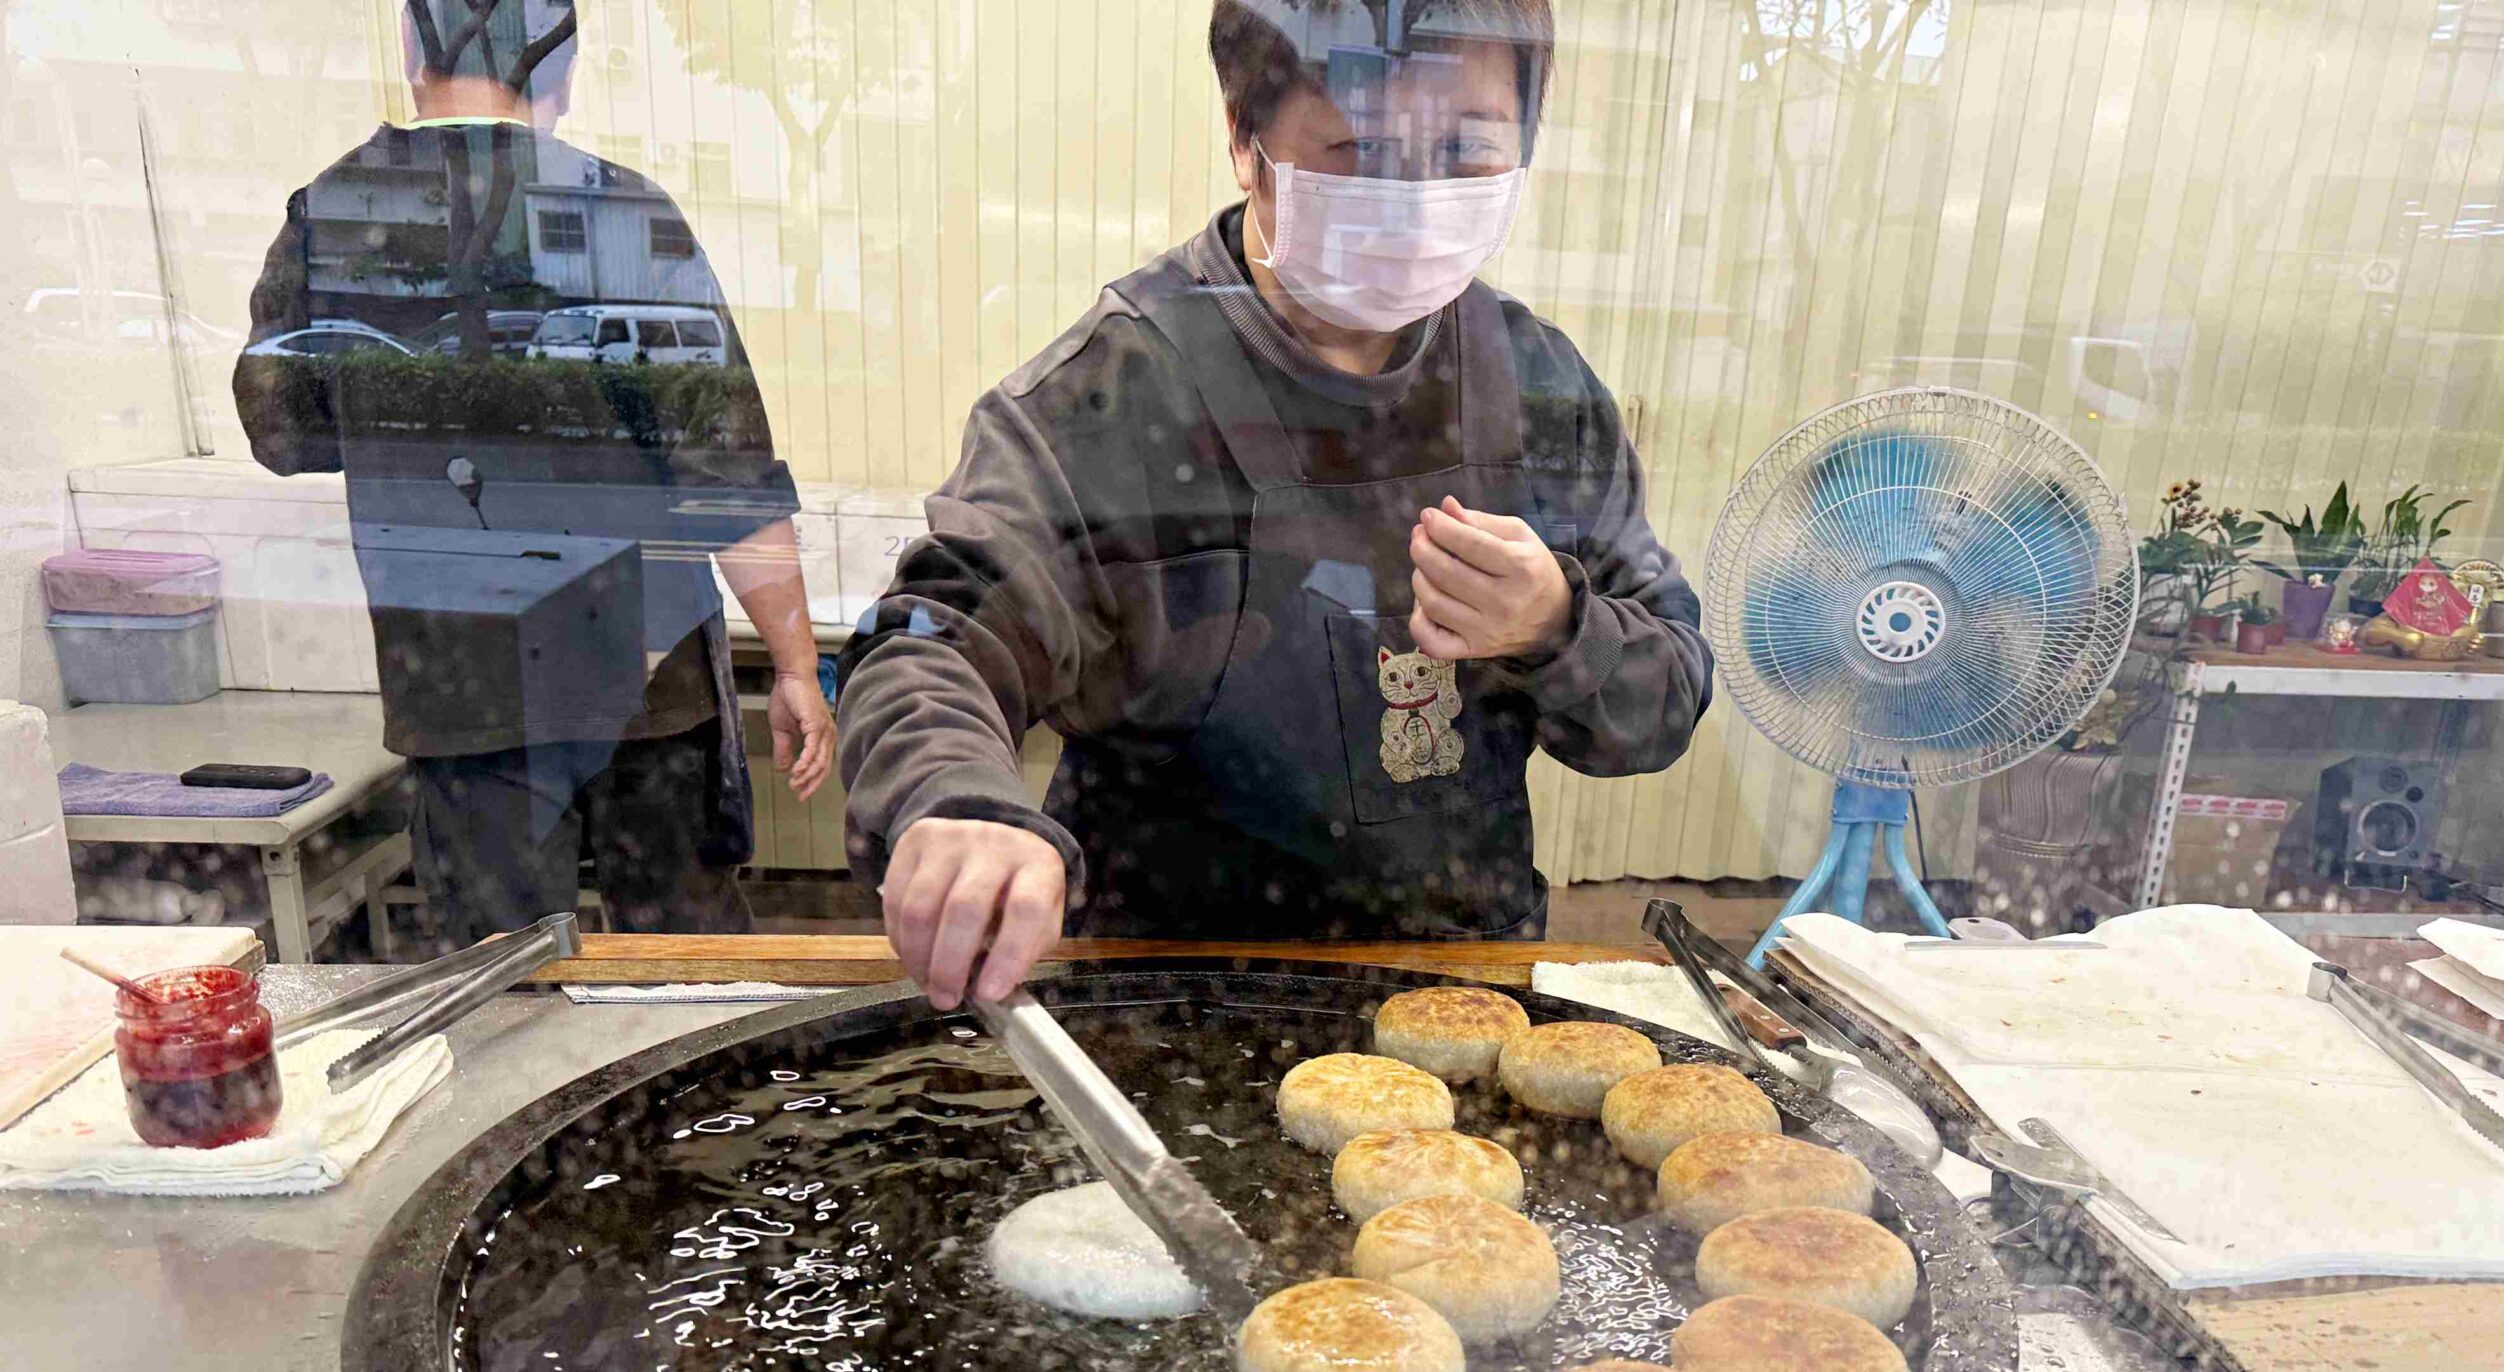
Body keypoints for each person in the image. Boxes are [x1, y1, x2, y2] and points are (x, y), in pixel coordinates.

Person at [839, 0, 1706, 1008]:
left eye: (1465, 151)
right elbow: (934, 640)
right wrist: (954, 800)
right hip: (1166, 1001)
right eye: (1360, 147)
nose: (1415, 199)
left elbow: (1665, 700)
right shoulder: (1119, 394)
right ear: (1246, 143)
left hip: (1463, 988)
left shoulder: (1535, 389)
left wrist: (1560, 627)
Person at [233, 0, 834, 945]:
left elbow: (281, 431)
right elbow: (730, 479)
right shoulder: (622, 214)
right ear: (561, 70)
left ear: (409, 52)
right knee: (685, 966)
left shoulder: (330, 217)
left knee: (504, 984)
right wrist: (797, 666)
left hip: (462, 686)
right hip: (646, 682)